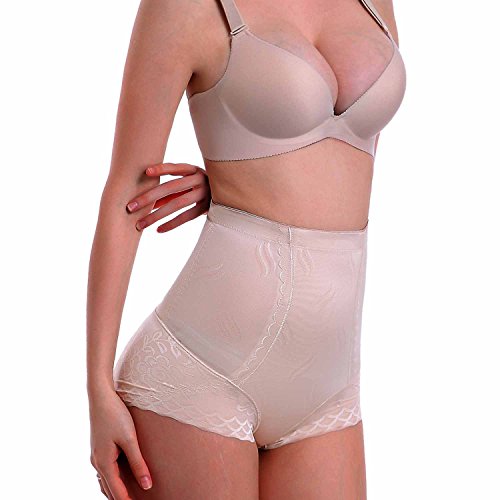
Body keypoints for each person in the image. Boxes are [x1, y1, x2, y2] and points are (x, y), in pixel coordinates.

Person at [86, 0, 406, 498]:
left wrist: (234, 185)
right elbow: (127, 195)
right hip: (199, 376)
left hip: (329, 387)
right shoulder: (183, 8)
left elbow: (339, 156)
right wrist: (97, 389)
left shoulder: (374, 4)